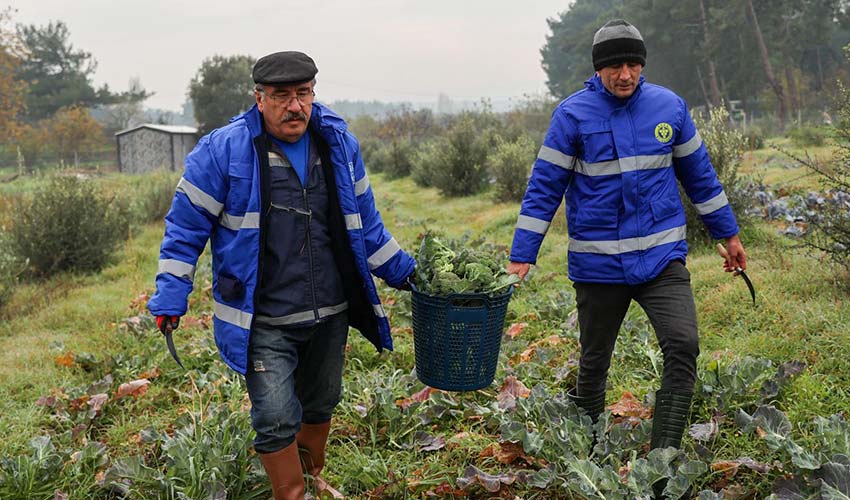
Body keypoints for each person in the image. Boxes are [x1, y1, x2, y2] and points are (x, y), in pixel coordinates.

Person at [148, 51, 416, 500]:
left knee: (320, 403)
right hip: (263, 316)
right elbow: (185, 227)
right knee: (274, 414)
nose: (295, 106)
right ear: (259, 98)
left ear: (313, 93)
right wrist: (170, 295)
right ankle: (290, 493)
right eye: (282, 96)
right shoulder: (223, 150)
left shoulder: (337, 143)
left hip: (330, 307)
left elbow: (366, 225)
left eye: (303, 94)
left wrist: (408, 274)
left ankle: (311, 478)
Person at [507, 18, 746, 474]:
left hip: (662, 261)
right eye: (615, 66)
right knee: (594, 362)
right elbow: (544, 188)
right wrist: (523, 254)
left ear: (643, 65)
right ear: (598, 69)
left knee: (684, 343)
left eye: (633, 64)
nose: (625, 75)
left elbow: (701, 177)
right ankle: (588, 449)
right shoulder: (572, 116)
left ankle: (664, 456)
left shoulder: (669, 108)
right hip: (598, 269)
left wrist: (728, 234)